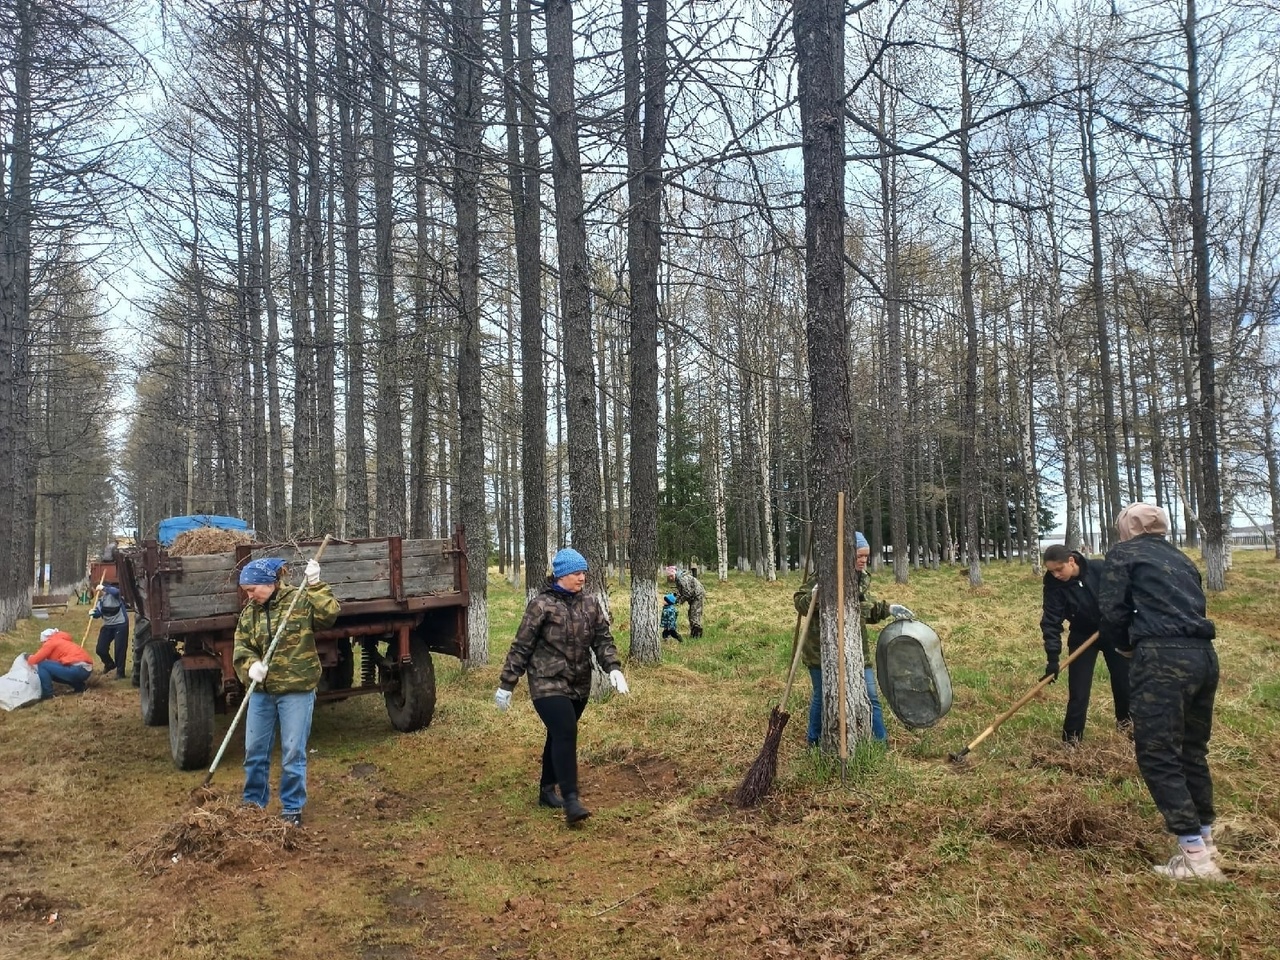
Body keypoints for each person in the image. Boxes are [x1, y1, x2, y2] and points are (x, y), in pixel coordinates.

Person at [1099, 503, 1224, 882]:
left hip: (1162, 658)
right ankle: (1206, 838)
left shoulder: (1124, 554)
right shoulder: (1181, 558)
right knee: (1191, 750)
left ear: (1126, 528)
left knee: (1158, 753)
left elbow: (1112, 610)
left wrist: (1123, 645)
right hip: (1203, 657)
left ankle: (1194, 859)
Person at [495, 548, 629, 825]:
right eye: (577, 573)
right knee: (566, 731)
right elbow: (521, 646)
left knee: (558, 734)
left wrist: (613, 667)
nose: (583, 577)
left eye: (584, 572)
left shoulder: (590, 604)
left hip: (579, 683)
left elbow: (602, 640)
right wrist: (507, 683)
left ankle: (546, 790)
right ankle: (571, 800)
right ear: (562, 575)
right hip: (546, 682)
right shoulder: (541, 605)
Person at [232, 555, 339, 827]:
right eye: (246, 591)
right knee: (254, 750)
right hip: (262, 692)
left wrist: (316, 585)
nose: (250, 595)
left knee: (293, 751)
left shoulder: (299, 601)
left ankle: (291, 808)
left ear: (269, 583)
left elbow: (329, 615)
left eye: (252, 589)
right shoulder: (249, 613)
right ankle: (253, 804)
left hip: (296, 690)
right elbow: (241, 648)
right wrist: (250, 666)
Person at [793, 532, 908, 747]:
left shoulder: (861, 578)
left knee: (871, 695)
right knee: (823, 696)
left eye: (866, 556)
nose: (864, 560)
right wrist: (815, 595)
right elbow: (800, 604)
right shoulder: (824, 575)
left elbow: (865, 608)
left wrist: (888, 609)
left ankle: (880, 742)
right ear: (847, 555)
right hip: (821, 651)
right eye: (859, 556)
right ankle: (814, 742)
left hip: (856, 650)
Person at [1039, 544, 1131, 742]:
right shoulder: (1053, 586)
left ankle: (1127, 730)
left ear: (1071, 561)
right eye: (1051, 571)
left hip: (1113, 632)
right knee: (1078, 690)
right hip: (1082, 635)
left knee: (1124, 684)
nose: (1055, 575)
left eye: (1059, 569)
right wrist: (1053, 658)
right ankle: (1072, 738)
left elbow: (1125, 595)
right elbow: (1051, 621)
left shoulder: (1100, 569)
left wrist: (1115, 618)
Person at [27, 628, 93, 699]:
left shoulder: (50, 642)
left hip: (77, 669)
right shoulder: (61, 640)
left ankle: (47, 694)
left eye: (42, 643)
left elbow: (34, 660)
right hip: (86, 669)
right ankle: (79, 687)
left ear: (45, 640)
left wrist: (27, 657)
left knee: (43, 665)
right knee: (54, 670)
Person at [91, 582, 130, 680]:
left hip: (120, 624)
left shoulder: (113, 595)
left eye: (95, 590)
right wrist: (93, 614)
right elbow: (99, 613)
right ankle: (109, 664)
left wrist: (104, 588)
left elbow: (117, 592)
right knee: (100, 649)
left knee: (119, 649)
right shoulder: (100, 601)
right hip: (108, 626)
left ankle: (120, 673)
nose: (95, 593)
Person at [665, 565, 706, 638]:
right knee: (691, 614)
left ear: (675, 573)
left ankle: (697, 635)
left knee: (694, 614)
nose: (670, 578)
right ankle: (694, 634)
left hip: (697, 595)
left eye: (671, 575)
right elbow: (681, 592)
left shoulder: (681, 579)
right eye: (669, 576)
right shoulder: (678, 579)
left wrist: (679, 602)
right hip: (693, 595)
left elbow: (687, 593)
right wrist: (674, 599)